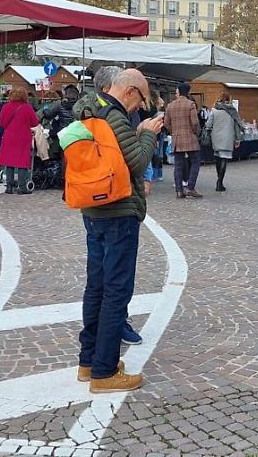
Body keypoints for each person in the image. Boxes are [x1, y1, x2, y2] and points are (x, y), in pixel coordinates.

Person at [77, 69, 163, 393]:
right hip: (118, 213)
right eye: (140, 101)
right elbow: (138, 163)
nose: (138, 108)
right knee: (116, 292)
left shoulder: (90, 108)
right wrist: (147, 134)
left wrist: (137, 131)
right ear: (129, 92)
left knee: (96, 287)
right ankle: (104, 371)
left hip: (93, 210)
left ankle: (89, 362)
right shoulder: (113, 115)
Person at [0, 88, 38, 194]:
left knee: (9, 162)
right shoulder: (27, 108)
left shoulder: (6, 107)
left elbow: (1, 123)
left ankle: (9, 187)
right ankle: (22, 186)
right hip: (23, 137)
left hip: (9, 137)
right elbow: (35, 122)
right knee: (22, 162)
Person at [165, 81, 202, 199]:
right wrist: (194, 132)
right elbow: (195, 122)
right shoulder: (191, 104)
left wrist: (173, 131)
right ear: (188, 92)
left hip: (177, 138)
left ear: (178, 91)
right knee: (195, 161)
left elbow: (166, 123)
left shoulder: (170, 105)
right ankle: (190, 187)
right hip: (190, 137)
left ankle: (179, 191)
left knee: (178, 165)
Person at [204, 93, 245, 192]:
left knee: (218, 159)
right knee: (224, 159)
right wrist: (237, 139)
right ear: (228, 100)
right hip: (227, 138)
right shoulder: (232, 111)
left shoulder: (214, 111)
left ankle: (219, 181)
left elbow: (208, 125)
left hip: (216, 138)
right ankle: (220, 182)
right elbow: (236, 126)